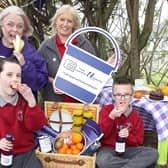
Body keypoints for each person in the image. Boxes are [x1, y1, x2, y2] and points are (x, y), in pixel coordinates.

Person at [38, 4, 96, 102]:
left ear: (74, 24)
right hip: (54, 104)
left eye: (69, 21)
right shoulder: (46, 47)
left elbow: (94, 73)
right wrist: (53, 81)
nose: (65, 24)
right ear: (56, 21)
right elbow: (37, 73)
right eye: (62, 19)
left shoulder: (84, 45)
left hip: (81, 105)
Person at [96, 77, 158, 168]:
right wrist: (111, 117)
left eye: (126, 95)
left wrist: (128, 136)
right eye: (118, 95)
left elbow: (138, 142)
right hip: (108, 149)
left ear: (132, 95)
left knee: (153, 153)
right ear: (113, 96)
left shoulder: (136, 117)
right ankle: (137, 165)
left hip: (128, 150)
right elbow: (100, 136)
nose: (122, 99)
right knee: (102, 161)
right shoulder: (106, 111)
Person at [0, 56, 48, 168]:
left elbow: (36, 126)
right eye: (9, 75)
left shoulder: (24, 101)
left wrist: (31, 101)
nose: (15, 79)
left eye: (18, 76)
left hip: (26, 153)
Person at [0, 5, 48, 99]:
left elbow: (41, 82)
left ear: (24, 30)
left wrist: (25, 65)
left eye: (20, 26)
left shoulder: (30, 52)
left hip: (21, 109)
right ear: (1, 25)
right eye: (10, 24)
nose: (14, 30)